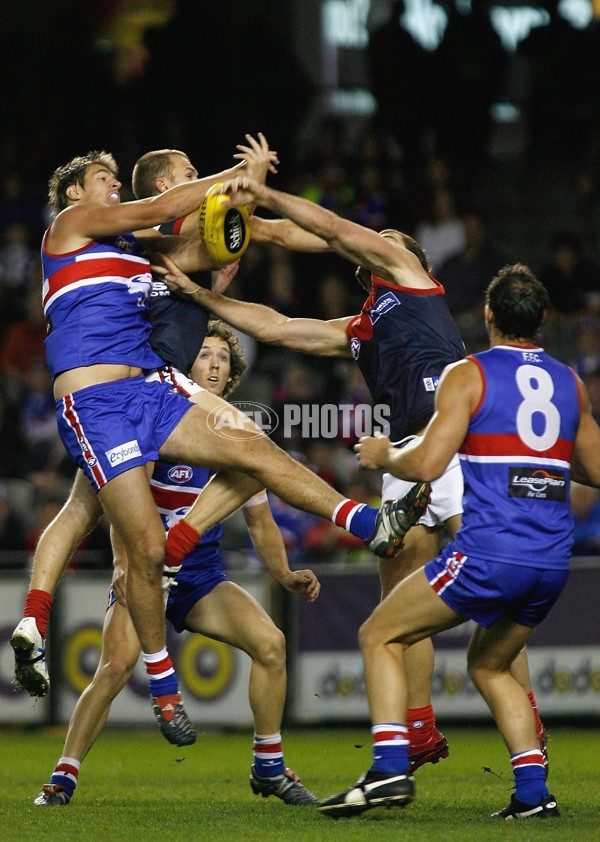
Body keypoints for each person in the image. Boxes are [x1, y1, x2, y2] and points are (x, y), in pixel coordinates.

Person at [11, 143, 424, 728]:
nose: (112, 187)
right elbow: (174, 205)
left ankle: (365, 522)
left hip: (154, 387)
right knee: (141, 549)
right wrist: (235, 175)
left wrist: (358, 242)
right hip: (97, 404)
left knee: (251, 444)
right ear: (75, 193)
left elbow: (249, 233)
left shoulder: (138, 247)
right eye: (102, 178)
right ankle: (156, 679)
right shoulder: (74, 224)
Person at [156, 175, 547, 773]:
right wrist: (200, 294)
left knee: (492, 597)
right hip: (402, 459)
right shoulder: (359, 329)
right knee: (399, 601)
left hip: (459, 442)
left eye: (387, 235)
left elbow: (333, 232)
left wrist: (262, 203)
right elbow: (277, 327)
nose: (380, 239)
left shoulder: (413, 279)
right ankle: (417, 730)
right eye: (378, 235)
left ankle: (528, 728)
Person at [317, 264, 600, 819]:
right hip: (551, 562)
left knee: (379, 634)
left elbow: (426, 461)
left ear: (488, 315)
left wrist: (383, 457)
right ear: (543, 321)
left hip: (490, 552)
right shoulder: (569, 382)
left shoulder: (468, 373)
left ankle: (389, 769)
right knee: (491, 665)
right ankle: (532, 794)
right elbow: (593, 468)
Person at [34, 320, 321, 808]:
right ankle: (63, 777)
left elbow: (260, 522)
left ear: (232, 374)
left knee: (271, 644)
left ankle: (269, 766)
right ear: (184, 365)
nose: (212, 363)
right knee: (115, 666)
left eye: (222, 358)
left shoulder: (234, 432)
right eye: (204, 354)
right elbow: (116, 506)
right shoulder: (151, 414)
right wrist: (125, 565)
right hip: (143, 572)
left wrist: (284, 573)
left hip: (198, 574)